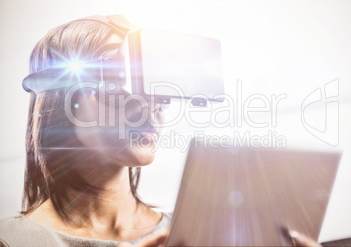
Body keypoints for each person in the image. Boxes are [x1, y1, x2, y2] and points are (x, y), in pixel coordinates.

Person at [0, 15, 320, 247]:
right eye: (119, 77)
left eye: (157, 88)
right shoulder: (10, 241)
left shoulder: (193, 238)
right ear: (62, 97)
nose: (149, 106)